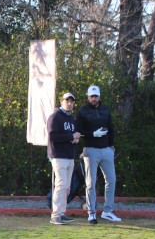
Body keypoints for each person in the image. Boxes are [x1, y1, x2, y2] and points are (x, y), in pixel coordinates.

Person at [75, 85, 121, 224]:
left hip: (106, 149)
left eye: (96, 96)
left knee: (111, 180)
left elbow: (111, 127)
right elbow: (79, 131)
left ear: (99, 97)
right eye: (91, 96)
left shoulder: (105, 110)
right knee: (90, 182)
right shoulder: (82, 111)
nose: (94, 99)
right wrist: (92, 134)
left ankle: (108, 211)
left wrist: (111, 145)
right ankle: (91, 212)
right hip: (91, 150)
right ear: (88, 97)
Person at [47, 92, 82, 225]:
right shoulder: (55, 116)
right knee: (61, 185)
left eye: (72, 102)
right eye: (67, 101)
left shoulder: (71, 118)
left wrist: (75, 139)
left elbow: (71, 136)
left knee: (67, 187)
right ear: (61, 102)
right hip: (58, 155)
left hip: (69, 155)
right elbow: (52, 136)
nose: (69, 104)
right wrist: (71, 137)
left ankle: (62, 213)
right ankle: (55, 215)